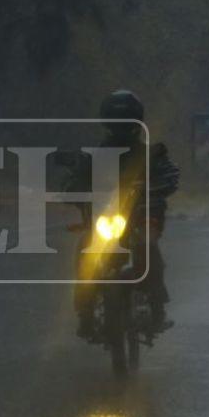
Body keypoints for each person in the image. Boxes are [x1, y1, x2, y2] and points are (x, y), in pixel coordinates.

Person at [70, 89, 179, 339]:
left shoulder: (152, 153)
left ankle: (157, 306)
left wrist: (159, 187)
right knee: (85, 250)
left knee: (148, 246)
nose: (121, 127)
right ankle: (85, 312)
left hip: (141, 216)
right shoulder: (93, 155)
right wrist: (73, 191)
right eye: (117, 121)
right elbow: (75, 179)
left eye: (126, 121)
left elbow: (171, 174)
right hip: (104, 219)